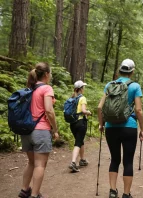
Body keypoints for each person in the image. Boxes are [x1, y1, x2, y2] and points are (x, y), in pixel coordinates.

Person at [97, 59, 143, 198]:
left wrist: (101, 124)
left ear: (119, 71)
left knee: (114, 159)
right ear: (132, 72)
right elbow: (138, 110)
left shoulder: (109, 85)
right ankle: (126, 194)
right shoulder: (135, 86)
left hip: (111, 127)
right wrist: (142, 128)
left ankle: (112, 191)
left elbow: (100, 107)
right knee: (128, 161)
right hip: (129, 127)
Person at [18, 62, 59, 198]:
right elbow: (49, 110)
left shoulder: (30, 88)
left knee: (31, 162)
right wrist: (55, 128)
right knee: (40, 164)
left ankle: (25, 190)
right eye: (50, 73)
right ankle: (34, 194)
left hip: (27, 131)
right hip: (41, 131)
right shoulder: (46, 88)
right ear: (46, 74)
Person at [68, 80, 92, 172]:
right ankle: (73, 162)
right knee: (78, 142)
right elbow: (83, 110)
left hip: (72, 123)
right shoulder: (82, 98)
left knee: (79, 140)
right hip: (81, 123)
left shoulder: (72, 98)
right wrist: (88, 112)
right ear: (81, 89)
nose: (84, 89)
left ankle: (82, 160)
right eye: (83, 87)